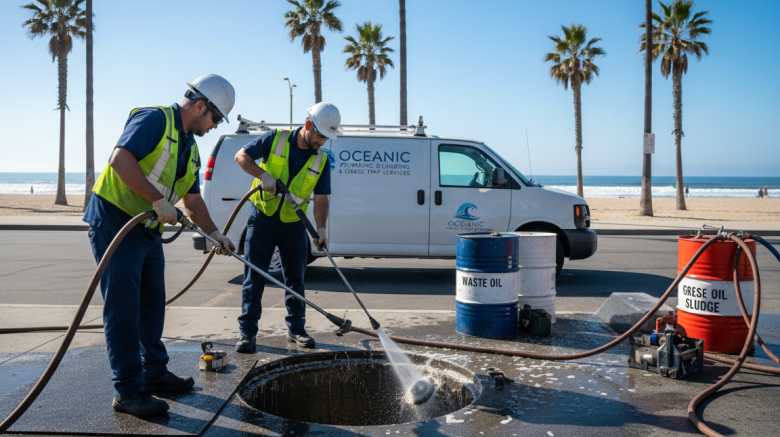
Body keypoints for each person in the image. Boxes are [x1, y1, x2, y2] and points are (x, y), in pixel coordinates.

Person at [82, 74, 236, 417]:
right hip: (116, 223)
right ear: (200, 106)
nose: (215, 126)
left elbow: (192, 202)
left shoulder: (190, 148)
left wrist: (216, 233)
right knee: (123, 311)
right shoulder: (154, 119)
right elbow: (120, 159)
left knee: (152, 306)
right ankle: (128, 392)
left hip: (147, 230)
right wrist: (157, 200)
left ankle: (153, 373)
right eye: (216, 118)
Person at [233, 102, 340, 352]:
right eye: (321, 136)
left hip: (294, 225)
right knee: (254, 278)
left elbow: (321, 199)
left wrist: (321, 229)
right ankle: (247, 333)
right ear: (308, 125)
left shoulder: (322, 161)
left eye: (327, 138)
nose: (323, 142)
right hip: (262, 218)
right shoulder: (276, 139)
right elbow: (241, 157)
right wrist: (262, 175)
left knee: (295, 280)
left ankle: (296, 330)